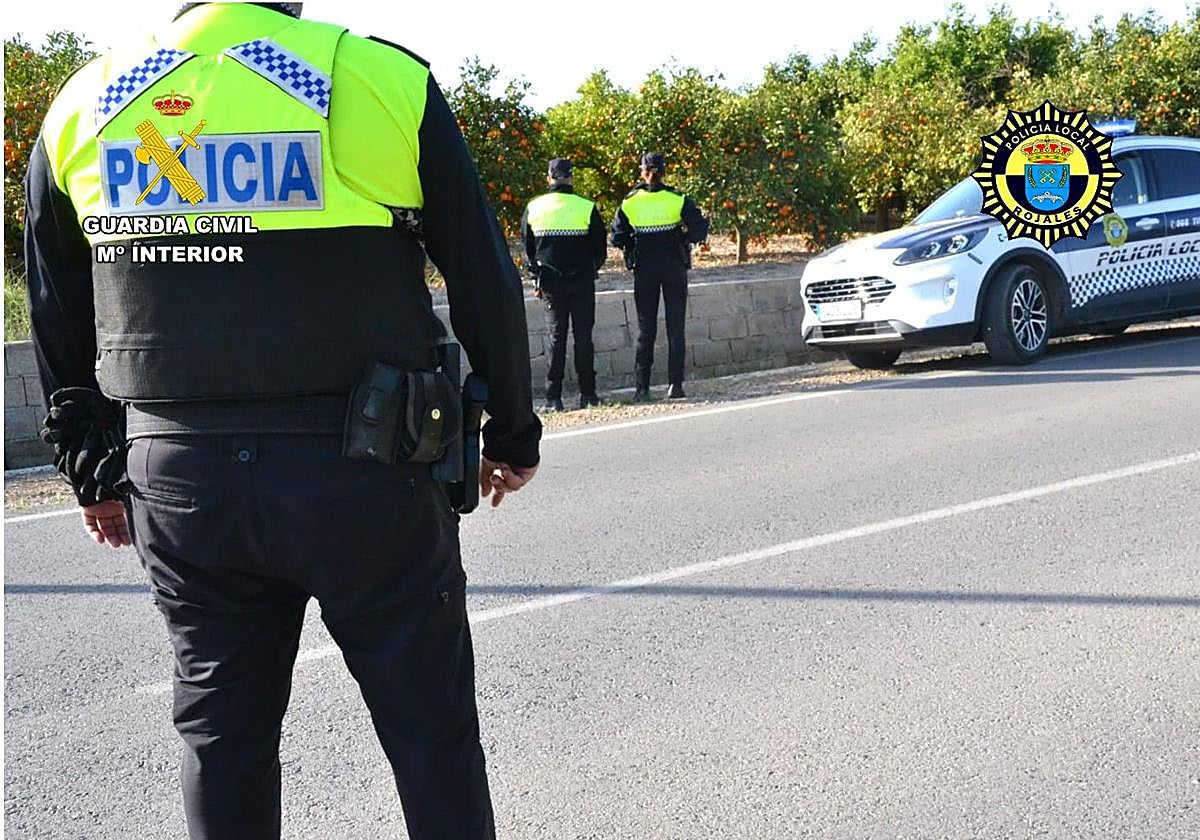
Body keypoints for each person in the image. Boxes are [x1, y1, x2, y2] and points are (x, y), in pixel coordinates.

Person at [24, 3, 539, 838]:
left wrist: (92, 472)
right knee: (430, 734)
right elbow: (485, 281)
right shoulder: (370, 77)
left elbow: (57, 313)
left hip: (180, 477)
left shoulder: (87, 102)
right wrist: (512, 435)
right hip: (369, 470)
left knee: (222, 736)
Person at [611, 152, 709, 400]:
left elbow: (617, 237)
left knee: (646, 329)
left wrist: (632, 245)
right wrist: (683, 239)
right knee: (676, 327)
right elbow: (699, 228)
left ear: (642, 171)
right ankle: (675, 385)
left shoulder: (630, 201)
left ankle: (641, 388)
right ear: (664, 171)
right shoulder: (677, 198)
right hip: (673, 265)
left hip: (645, 267)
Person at [520, 158, 607, 411]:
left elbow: (527, 249)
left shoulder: (534, 208)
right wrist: (590, 269)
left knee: (556, 339)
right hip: (581, 281)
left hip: (550, 283)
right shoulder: (586, 207)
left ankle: (553, 398)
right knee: (583, 338)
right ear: (571, 177)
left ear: (549, 178)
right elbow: (599, 249)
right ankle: (588, 395)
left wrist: (536, 277)